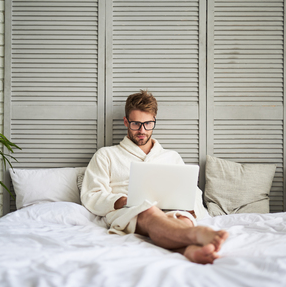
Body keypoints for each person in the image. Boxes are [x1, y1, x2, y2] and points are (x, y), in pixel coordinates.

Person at [80, 90, 228, 264]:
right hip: (129, 212)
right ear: (126, 121)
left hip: (172, 210)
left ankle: (188, 249)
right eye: (136, 124)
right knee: (149, 211)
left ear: (154, 121)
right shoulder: (106, 155)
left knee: (184, 218)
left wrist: (190, 208)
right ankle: (195, 235)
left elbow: (192, 192)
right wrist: (122, 200)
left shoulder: (172, 156)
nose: (142, 130)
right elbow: (91, 193)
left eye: (148, 124)